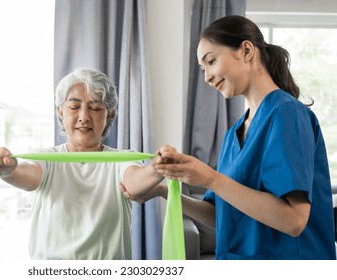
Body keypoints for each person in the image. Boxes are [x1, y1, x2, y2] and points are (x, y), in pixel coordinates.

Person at [124, 15, 336, 260]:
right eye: (203, 69)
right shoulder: (234, 133)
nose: (207, 77)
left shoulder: (286, 114)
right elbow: (220, 215)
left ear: (246, 50)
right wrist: (163, 191)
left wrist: (210, 178)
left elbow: (293, 220)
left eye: (211, 61)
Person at [0, 68, 163, 260]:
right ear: (60, 111)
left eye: (95, 108)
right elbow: (27, 176)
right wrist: (8, 169)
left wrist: (157, 168)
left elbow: (134, 183)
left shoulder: (122, 160)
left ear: (110, 113)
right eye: (74, 107)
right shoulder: (47, 158)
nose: (84, 117)